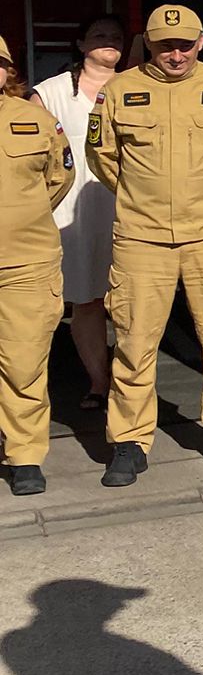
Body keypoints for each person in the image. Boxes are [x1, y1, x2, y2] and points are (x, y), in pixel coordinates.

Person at [86, 4, 203, 488]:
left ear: (200, 41)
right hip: (142, 238)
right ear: (148, 43)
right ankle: (129, 441)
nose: (176, 53)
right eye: (166, 45)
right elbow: (102, 155)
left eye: (185, 44)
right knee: (134, 341)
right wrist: (141, 197)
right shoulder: (119, 91)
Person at [35, 13, 126, 409]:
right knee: (87, 301)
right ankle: (99, 382)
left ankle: (129, 386)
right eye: (99, 35)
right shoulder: (50, 93)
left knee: (129, 303)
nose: (109, 41)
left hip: (129, 210)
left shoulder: (137, 87)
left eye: (116, 36)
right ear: (81, 44)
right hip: (74, 215)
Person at [0, 34, 74, 496]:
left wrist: (22, 218)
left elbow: (60, 176)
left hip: (26, 263)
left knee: (23, 361)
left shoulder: (35, 119)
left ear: (8, 70)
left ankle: (24, 455)